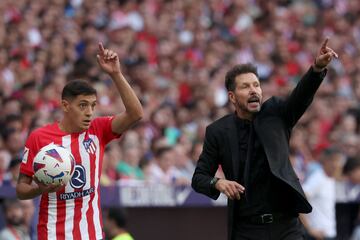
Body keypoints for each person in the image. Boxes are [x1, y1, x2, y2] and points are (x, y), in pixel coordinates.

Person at [191, 39, 338, 240]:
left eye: (256, 85)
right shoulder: (218, 131)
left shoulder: (277, 114)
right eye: (245, 87)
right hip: (246, 229)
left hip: (286, 225)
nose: (253, 90)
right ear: (232, 97)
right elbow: (199, 177)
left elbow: (301, 96)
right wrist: (218, 183)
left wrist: (317, 68)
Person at [16, 43, 143, 240]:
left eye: (93, 105)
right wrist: (39, 189)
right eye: (83, 105)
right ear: (66, 106)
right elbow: (21, 189)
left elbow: (135, 113)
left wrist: (116, 74)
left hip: (90, 234)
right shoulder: (39, 138)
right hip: (52, 234)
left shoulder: (98, 130)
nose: (89, 112)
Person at [300, 148, 344, 240]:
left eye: (339, 161)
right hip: (317, 235)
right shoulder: (317, 178)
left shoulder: (330, 178)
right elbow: (299, 202)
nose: (337, 165)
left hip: (329, 234)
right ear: (326, 161)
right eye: (334, 160)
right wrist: (310, 229)